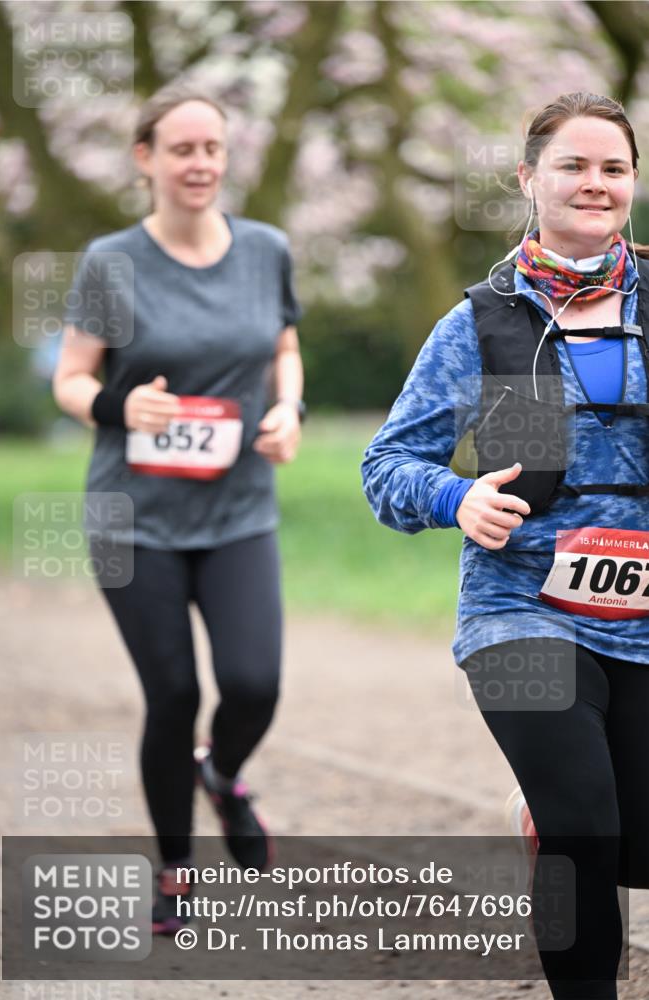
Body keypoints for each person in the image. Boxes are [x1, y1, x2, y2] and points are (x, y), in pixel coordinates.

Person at [362, 92, 648, 1000]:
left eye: (612, 167)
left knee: (629, 837)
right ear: (529, 179)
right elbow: (386, 465)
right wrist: (455, 500)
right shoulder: (478, 324)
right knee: (583, 831)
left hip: (641, 614)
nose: (593, 184)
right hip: (519, 609)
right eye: (572, 165)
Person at [52, 79, 304, 934]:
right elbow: (71, 378)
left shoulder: (266, 247)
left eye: (212, 149)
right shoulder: (111, 261)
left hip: (237, 508)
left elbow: (283, 346)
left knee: (253, 682)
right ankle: (174, 871)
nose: (201, 164)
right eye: (182, 149)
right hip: (135, 514)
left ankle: (223, 776)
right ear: (146, 159)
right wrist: (125, 409)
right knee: (171, 691)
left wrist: (287, 411)